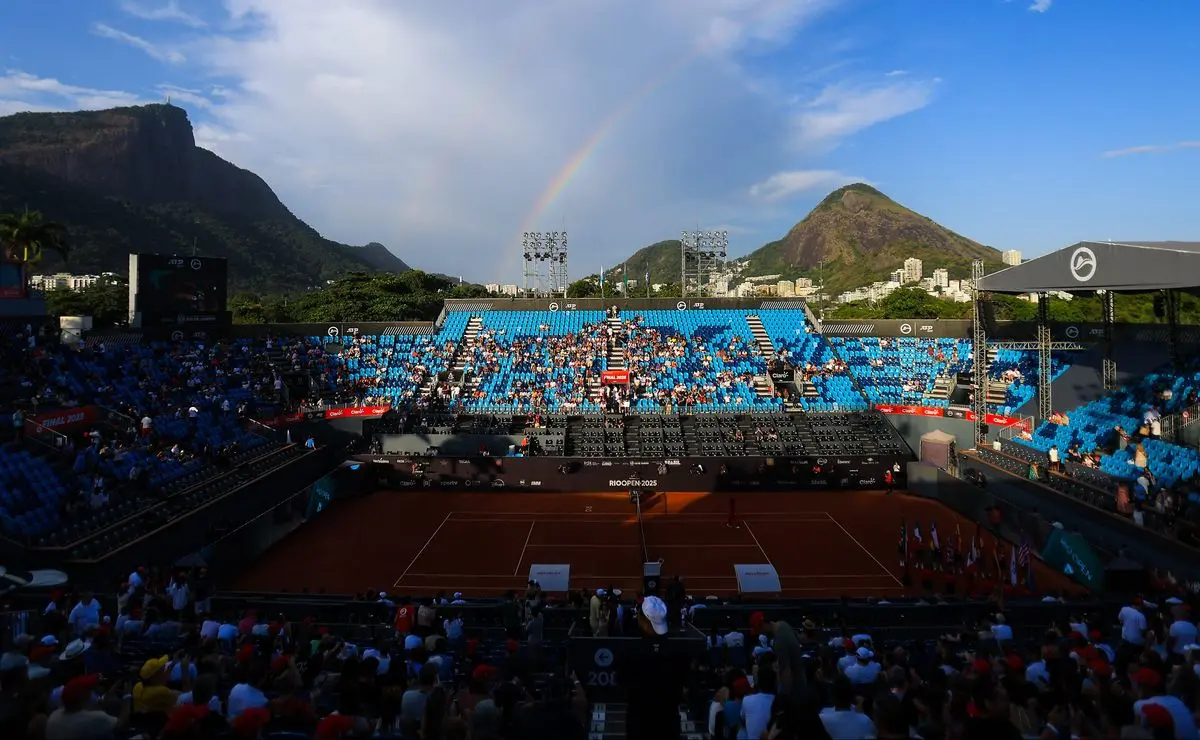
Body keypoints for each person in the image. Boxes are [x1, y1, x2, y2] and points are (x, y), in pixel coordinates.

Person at [618, 596, 687, 739]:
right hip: (666, 724)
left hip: (642, 725)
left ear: (643, 620)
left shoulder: (631, 651)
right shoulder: (676, 650)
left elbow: (623, 685)